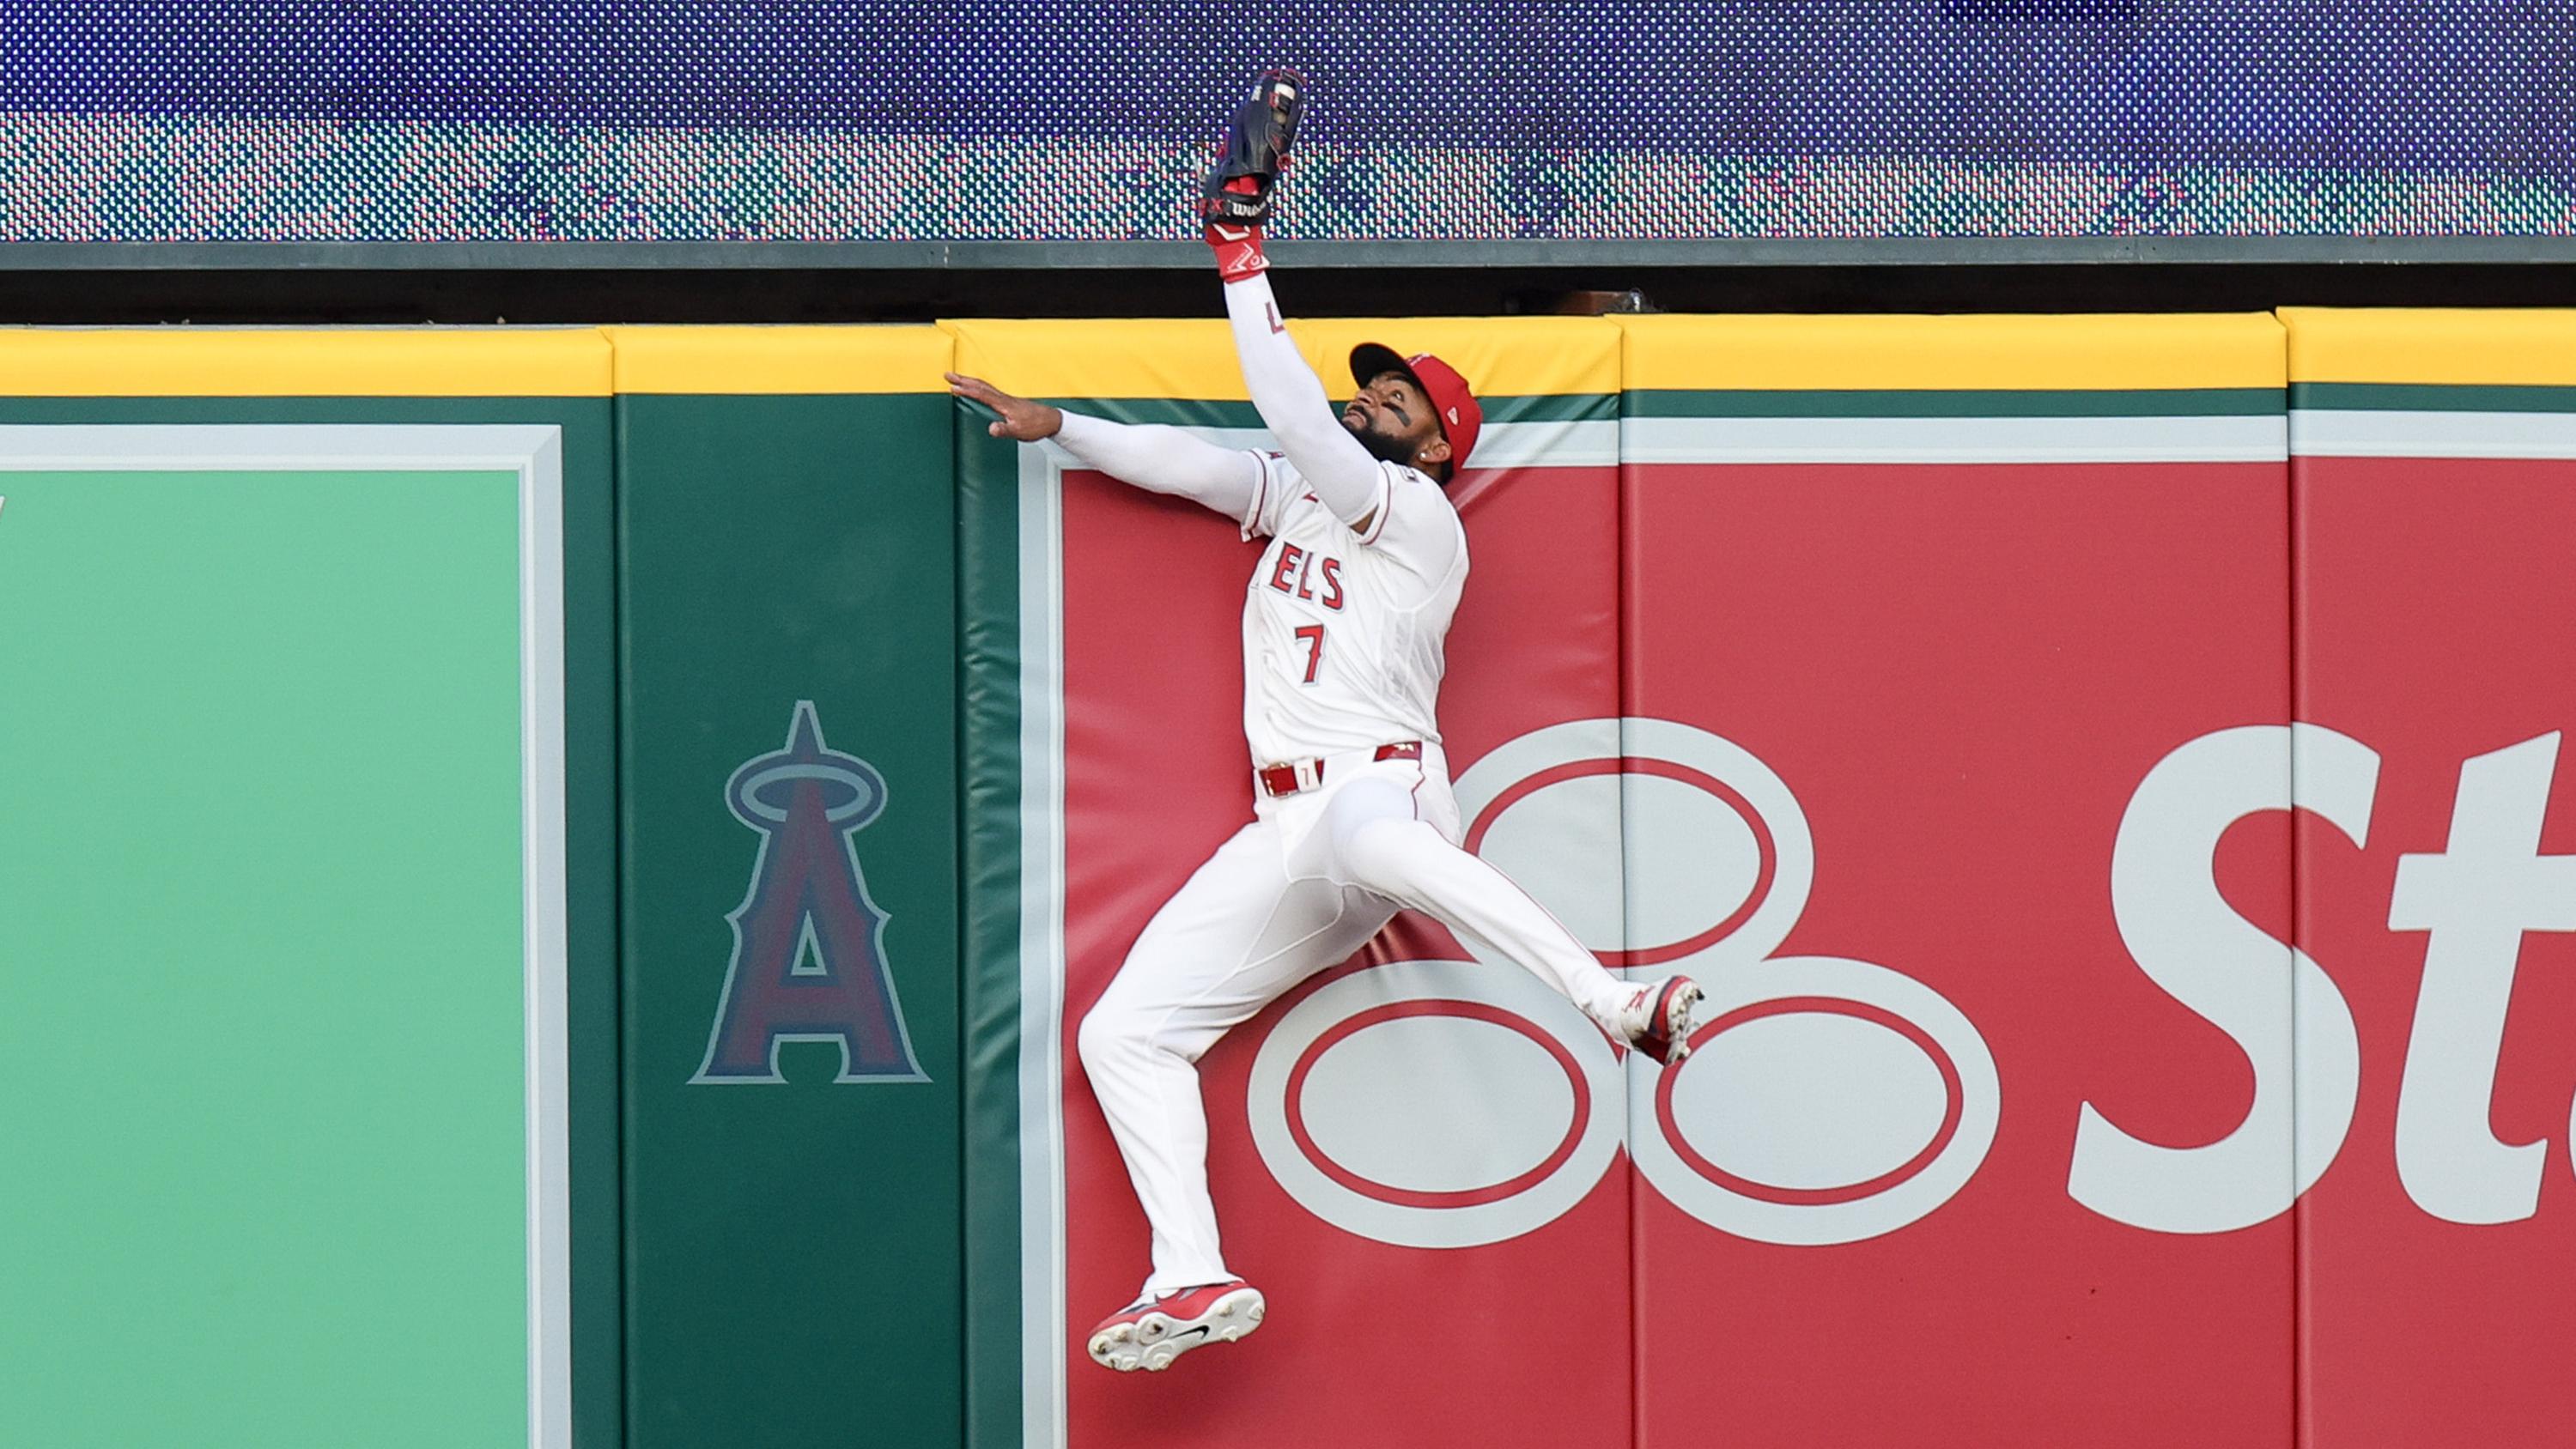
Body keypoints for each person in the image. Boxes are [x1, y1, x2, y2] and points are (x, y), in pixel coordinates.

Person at [945, 72, 1702, 1374]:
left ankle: (1612, 996)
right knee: (1124, 1033)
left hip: (1383, 790)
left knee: (1376, 838)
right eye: (1376, 387)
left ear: (1436, 448)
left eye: (1401, 399)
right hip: (1290, 824)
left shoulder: (1415, 517)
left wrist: (1241, 255)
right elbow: (1213, 466)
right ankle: (1190, 1276)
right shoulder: (1307, 497)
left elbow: (1291, 410)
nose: (1374, 397)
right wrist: (1058, 426)